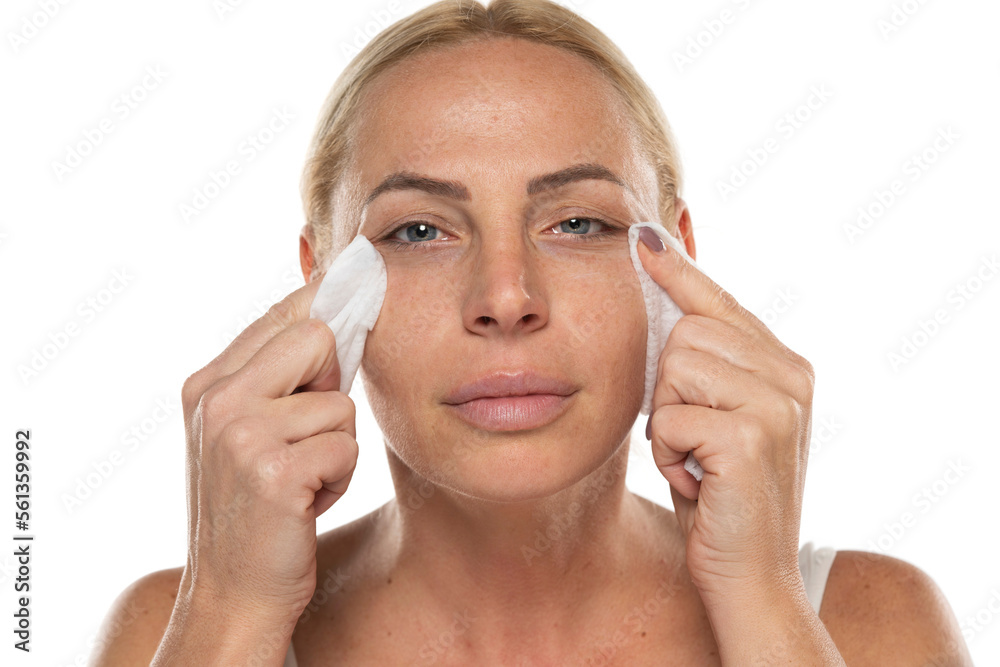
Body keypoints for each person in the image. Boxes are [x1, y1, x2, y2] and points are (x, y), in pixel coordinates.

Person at [91, 1, 973, 664]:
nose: (506, 296)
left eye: (578, 224)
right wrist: (233, 617)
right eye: (420, 231)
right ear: (321, 284)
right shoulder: (176, 630)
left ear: (676, 261)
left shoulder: (869, 626)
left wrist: (764, 606)